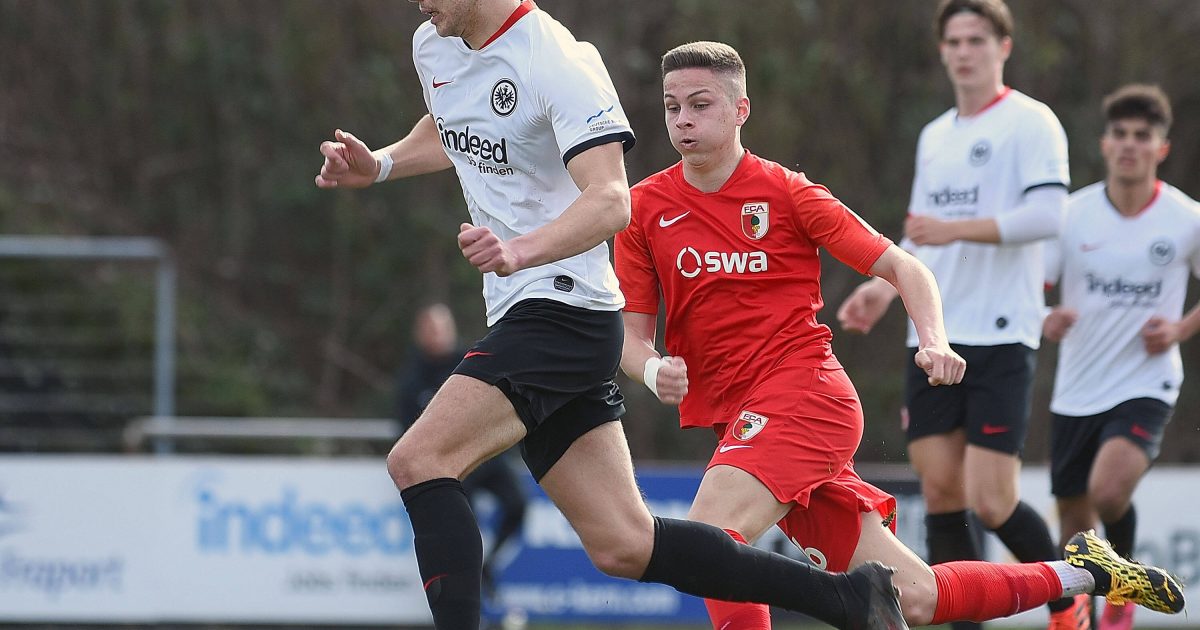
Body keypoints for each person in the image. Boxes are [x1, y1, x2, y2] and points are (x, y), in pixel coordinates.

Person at [316, 2, 917, 629]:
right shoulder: (432, 44)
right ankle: (850, 599)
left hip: (566, 311)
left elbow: (610, 201)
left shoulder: (559, 62)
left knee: (418, 459)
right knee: (625, 545)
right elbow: (451, 121)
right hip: (530, 311)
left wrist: (519, 250)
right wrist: (381, 164)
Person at [615, 39, 1185, 630]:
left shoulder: (787, 192)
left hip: (804, 398)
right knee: (916, 596)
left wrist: (933, 339)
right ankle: (1087, 575)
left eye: (701, 104)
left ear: (740, 110)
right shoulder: (642, 210)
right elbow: (632, 340)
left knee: (708, 537)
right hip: (742, 420)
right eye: (671, 106)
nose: (683, 119)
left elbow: (904, 266)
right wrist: (654, 368)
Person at [837, 1, 1085, 627]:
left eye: (977, 39)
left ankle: (1069, 596)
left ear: (1003, 47)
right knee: (943, 491)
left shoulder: (1032, 123)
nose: (965, 51)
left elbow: (1049, 216)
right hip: (933, 338)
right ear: (942, 50)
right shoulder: (935, 135)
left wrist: (955, 230)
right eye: (954, 40)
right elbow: (919, 237)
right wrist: (885, 289)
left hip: (1002, 335)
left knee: (992, 499)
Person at [1042, 84, 1198, 630]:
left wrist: (1181, 327)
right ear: (1105, 144)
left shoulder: (1186, 218)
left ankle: (1124, 590)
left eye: (1142, 136)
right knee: (1074, 527)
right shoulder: (1069, 214)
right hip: (1076, 388)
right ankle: (1078, 613)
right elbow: (1027, 286)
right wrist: (1044, 318)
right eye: (1121, 135)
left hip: (1146, 383)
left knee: (1109, 492)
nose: (1129, 145)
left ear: (1161, 148)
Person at [394, 303, 528, 605]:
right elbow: (405, 433)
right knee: (464, 529)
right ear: (420, 333)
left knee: (517, 505)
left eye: (443, 327)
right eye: (431, 328)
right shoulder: (412, 378)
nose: (438, 334)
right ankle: (466, 591)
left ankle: (488, 567)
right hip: (450, 467)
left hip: (487, 456)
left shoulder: (470, 362)